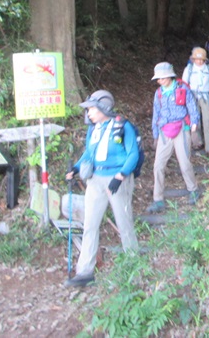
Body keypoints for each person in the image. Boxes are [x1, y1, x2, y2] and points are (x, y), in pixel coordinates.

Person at [64, 90, 142, 287]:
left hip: (118, 179)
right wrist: (76, 168)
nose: (89, 113)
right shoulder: (94, 129)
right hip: (95, 179)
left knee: (124, 225)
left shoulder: (122, 126)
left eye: (92, 109)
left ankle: (135, 270)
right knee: (90, 225)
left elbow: (133, 154)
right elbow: (89, 153)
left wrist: (121, 176)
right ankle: (85, 271)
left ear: (103, 108)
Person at [148, 62, 201, 213]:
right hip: (164, 131)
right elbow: (156, 113)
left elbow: (192, 106)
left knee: (184, 163)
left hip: (181, 129)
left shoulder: (182, 89)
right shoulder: (159, 93)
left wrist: (194, 124)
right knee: (158, 166)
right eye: (158, 79)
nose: (160, 81)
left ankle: (193, 190)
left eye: (162, 78)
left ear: (170, 76)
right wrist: (155, 134)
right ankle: (158, 199)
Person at [182, 47, 209, 155]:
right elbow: (184, 84)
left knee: (208, 121)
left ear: (205, 60)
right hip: (192, 97)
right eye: (197, 59)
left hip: (206, 97)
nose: (199, 61)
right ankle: (197, 143)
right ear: (193, 59)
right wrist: (186, 97)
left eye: (201, 59)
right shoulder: (189, 69)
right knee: (195, 121)